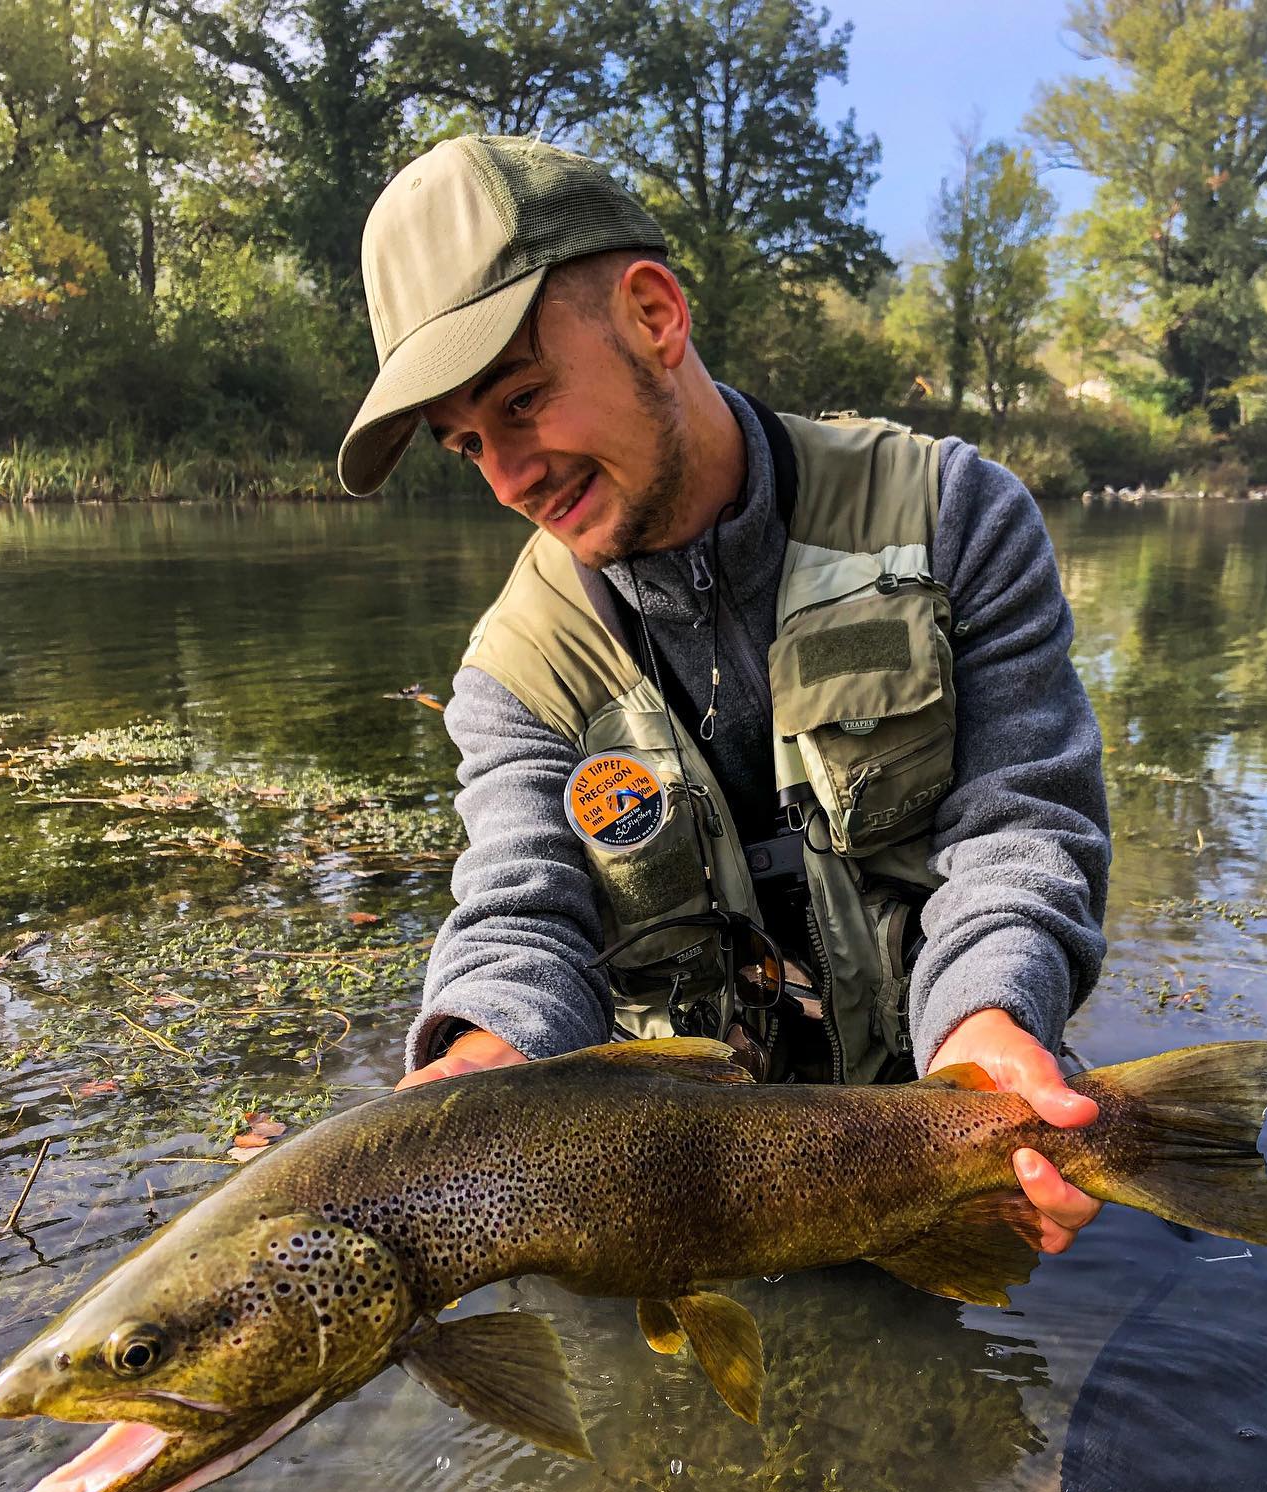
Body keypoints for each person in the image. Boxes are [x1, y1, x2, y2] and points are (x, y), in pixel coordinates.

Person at [338, 135, 1111, 1257]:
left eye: (521, 400)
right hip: (678, 1186)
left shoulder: (953, 519)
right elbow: (521, 909)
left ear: (654, 315)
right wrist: (480, 1063)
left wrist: (991, 1016)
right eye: (465, 446)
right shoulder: (512, 670)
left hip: (930, 1122)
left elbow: (1021, 826)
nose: (507, 478)